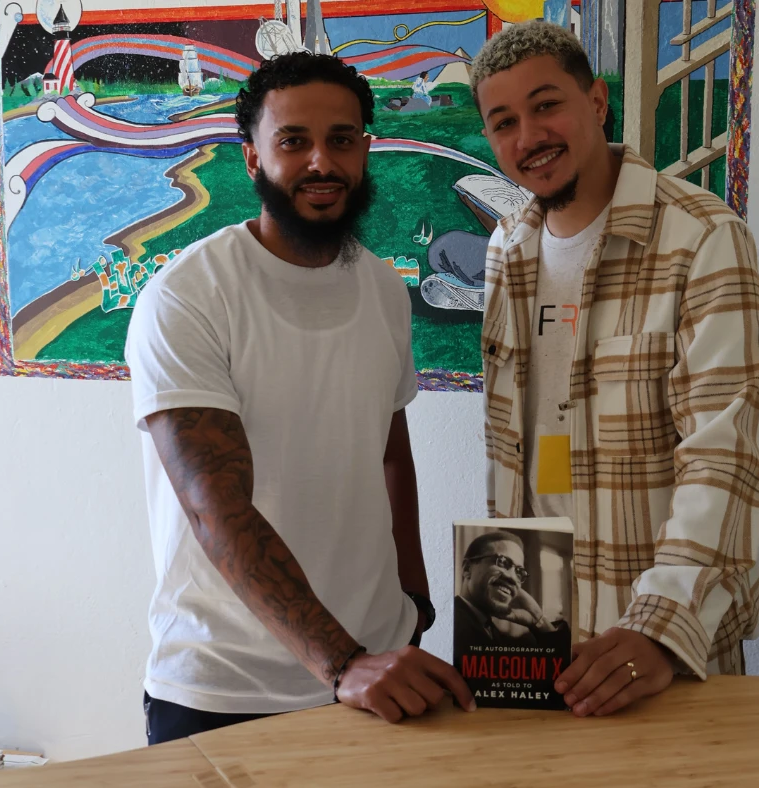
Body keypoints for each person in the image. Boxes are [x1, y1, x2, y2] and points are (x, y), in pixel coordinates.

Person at [124, 51, 475, 744]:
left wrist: (413, 603)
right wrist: (341, 662)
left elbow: (389, 452)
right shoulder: (188, 296)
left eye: (341, 139)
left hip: (377, 669)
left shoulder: (382, 287)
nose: (322, 162)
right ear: (252, 157)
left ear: (364, 150)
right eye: (293, 141)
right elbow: (214, 508)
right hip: (225, 688)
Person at [471, 21, 759, 717]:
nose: (529, 136)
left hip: (661, 647)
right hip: (539, 631)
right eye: (504, 121)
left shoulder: (703, 237)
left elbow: (724, 457)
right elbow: (540, 445)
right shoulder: (506, 249)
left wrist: (659, 631)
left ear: (597, 102)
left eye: (546, 105)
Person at [453, 530, 571, 664]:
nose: (512, 577)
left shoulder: (493, 632)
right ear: (467, 569)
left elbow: (560, 665)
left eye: (519, 572)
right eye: (502, 562)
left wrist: (537, 618)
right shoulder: (451, 626)